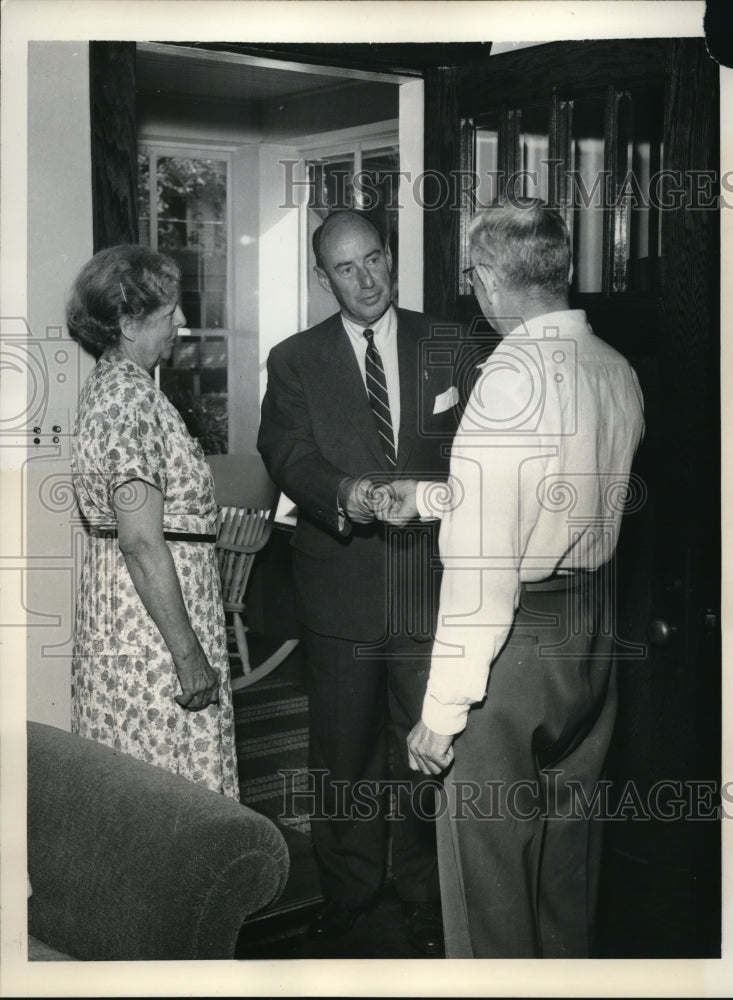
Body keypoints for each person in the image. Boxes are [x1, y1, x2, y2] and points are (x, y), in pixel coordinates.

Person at [383, 197, 645, 957]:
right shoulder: (612, 367)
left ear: (491, 279)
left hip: (515, 647)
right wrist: (435, 497)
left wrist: (442, 708)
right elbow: (561, 489)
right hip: (591, 632)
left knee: (487, 881)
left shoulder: (509, 379)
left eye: (473, 277)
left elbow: (486, 567)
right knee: (567, 866)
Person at [256, 209, 459, 955]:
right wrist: (342, 493)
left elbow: (478, 451)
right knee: (341, 755)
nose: (366, 278)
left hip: (428, 590)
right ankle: (347, 897)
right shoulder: (294, 359)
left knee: (426, 753)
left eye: (375, 259)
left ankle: (428, 900)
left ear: (391, 258)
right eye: (347, 268)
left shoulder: (449, 342)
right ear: (322, 278)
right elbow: (285, 450)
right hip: (338, 590)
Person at [67, 244, 239, 799]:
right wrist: (188, 656)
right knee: (170, 789)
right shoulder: (128, 399)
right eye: (169, 313)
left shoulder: (116, 385)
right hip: (151, 634)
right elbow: (142, 543)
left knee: (140, 786)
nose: (183, 322)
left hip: (131, 616)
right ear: (126, 323)